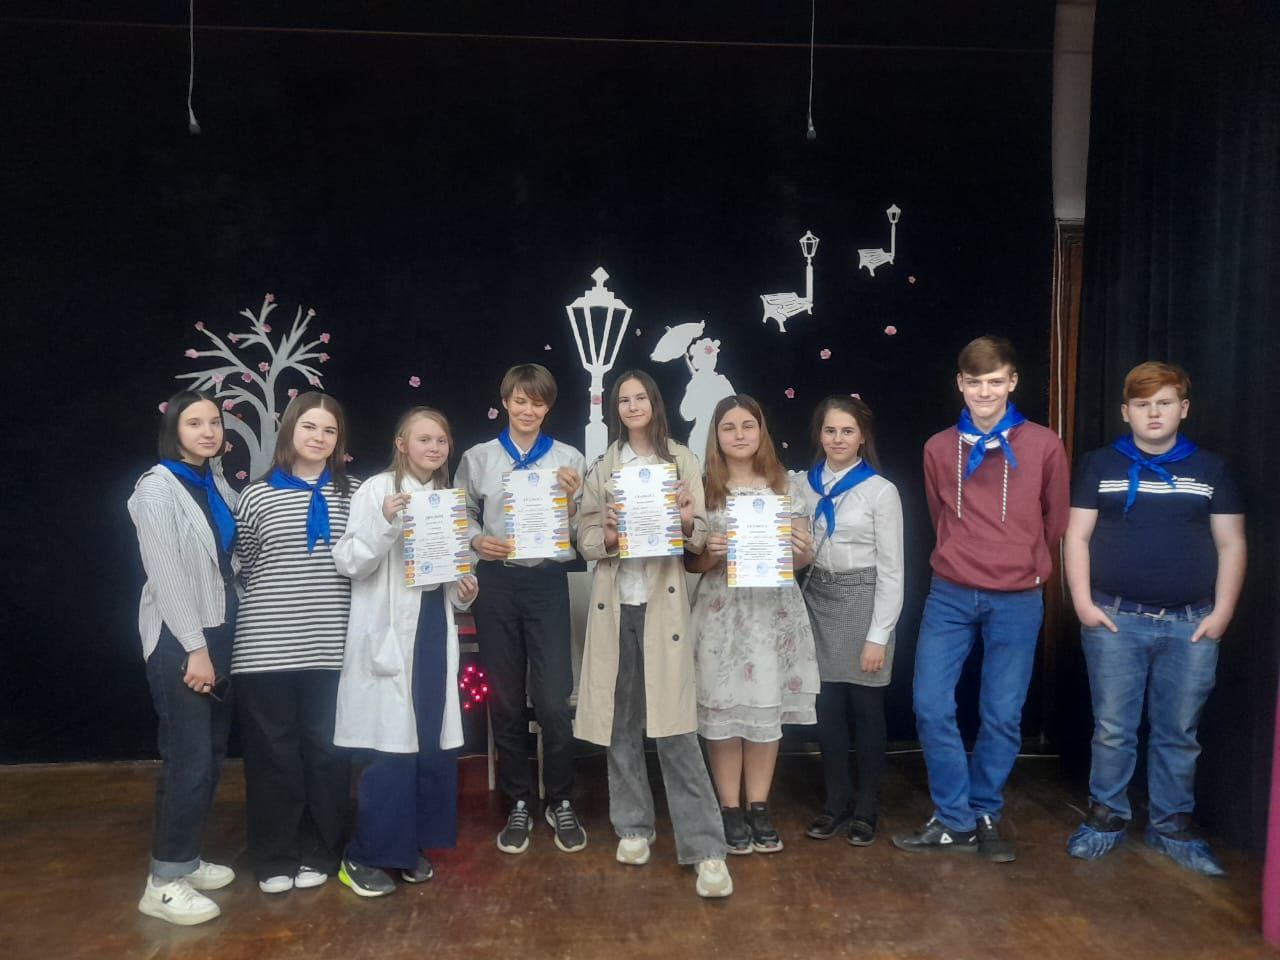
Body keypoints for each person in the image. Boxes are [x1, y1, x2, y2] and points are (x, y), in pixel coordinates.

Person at [1063, 362, 1245, 875]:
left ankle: (1171, 826)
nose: (1154, 413)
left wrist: (1223, 612)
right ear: (1126, 412)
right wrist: (1083, 603)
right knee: (1113, 728)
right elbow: (1076, 536)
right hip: (1115, 619)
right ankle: (1106, 818)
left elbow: (1231, 543)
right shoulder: (1100, 464)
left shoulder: (1210, 469)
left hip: (1192, 624)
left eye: (1164, 403)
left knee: (1179, 731)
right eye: (1142, 405)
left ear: (1183, 408)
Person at [892, 336, 1069, 863]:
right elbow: (938, 514)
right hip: (951, 592)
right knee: (930, 704)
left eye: (995, 381)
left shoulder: (1044, 444)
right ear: (960, 385)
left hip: (1017, 596)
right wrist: (964, 553)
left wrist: (1022, 557)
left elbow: (1055, 519)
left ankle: (985, 808)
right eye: (975, 383)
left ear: (1013, 381)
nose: (985, 392)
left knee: (1002, 713)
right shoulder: (937, 447)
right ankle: (954, 817)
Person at [576, 370, 733, 898]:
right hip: (617, 606)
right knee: (621, 723)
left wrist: (686, 522)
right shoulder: (605, 465)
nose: (632, 405)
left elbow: (701, 537)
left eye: (639, 397)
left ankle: (707, 848)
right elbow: (584, 537)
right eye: (623, 399)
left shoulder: (682, 461)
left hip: (663, 610)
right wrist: (608, 534)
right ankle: (633, 827)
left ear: (654, 403)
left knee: (675, 728)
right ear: (615, 409)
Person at [332, 407, 480, 896]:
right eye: (424, 439)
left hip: (432, 629)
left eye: (441, 440)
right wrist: (386, 521)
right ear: (401, 444)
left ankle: (410, 846)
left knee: (430, 744)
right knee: (391, 749)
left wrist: (465, 588)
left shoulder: (446, 498)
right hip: (391, 635)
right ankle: (365, 856)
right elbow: (350, 561)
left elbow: (452, 575)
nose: (434, 448)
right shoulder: (376, 491)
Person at [454, 363, 588, 854]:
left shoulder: (569, 458)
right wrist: (476, 541)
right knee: (506, 701)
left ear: (548, 407)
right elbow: (461, 513)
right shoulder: (478, 457)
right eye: (520, 400)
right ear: (505, 401)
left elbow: (582, 529)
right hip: (497, 581)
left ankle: (561, 798)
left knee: (553, 701)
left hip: (548, 581)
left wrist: (572, 502)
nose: (528, 410)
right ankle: (518, 802)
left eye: (538, 402)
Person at [232, 392, 358, 893]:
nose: (318, 438)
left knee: (327, 754)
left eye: (329, 430)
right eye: (309, 427)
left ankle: (322, 851)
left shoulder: (356, 494)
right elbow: (245, 564)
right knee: (273, 758)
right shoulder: (255, 496)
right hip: (265, 647)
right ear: (289, 431)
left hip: (334, 647)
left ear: (338, 440)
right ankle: (274, 858)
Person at [688, 394, 819, 854]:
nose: (739, 434)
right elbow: (690, 563)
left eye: (748, 425)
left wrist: (802, 550)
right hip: (720, 612)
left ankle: (759, 806)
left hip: (772, 613)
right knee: (724, 712)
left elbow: (802, 559)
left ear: (761, 431)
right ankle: (729, 808)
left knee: (766, 709)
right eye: (729, 427)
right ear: (716, 435)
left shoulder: (788, 485)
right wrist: (710, 554)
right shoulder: (703, 487)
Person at [128, 390, 240, 925]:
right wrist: (196, 649)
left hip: (219, 633)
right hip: (182, 640)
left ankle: (185, 859)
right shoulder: (156, 488)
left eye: (214, 422)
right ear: (174, 430)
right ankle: (163, 883)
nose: (207, 432)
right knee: (188, 761)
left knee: (211, 757)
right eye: (194, 423)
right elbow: (167, 573)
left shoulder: (213, 481)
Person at [792, 395, 904, 847]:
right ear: (819, 434)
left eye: (847, 431)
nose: (838, 439)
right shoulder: (802, 485)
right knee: (828, 708)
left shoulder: (880, 491)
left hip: (865, 599)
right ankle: (835, 803)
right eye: (830, 430)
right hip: (819, 597)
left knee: (866, 708)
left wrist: (879, 635)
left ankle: (866, 808)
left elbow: (893, 571)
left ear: (862, 437)